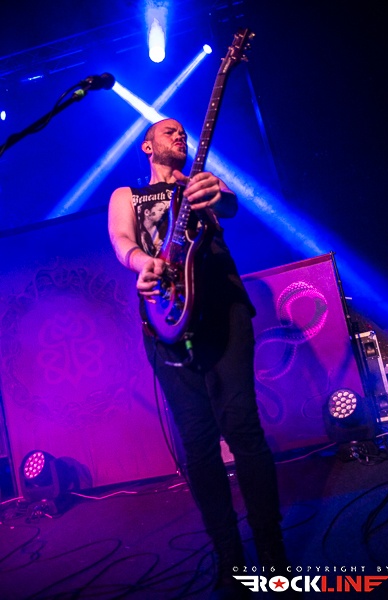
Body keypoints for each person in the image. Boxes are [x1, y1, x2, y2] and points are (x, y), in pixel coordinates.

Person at [108, 118, 288, 599]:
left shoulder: (202, 182)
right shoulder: (127, 195)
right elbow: (122, 240)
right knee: (198, 444)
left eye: (182, 133)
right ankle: (230, 561)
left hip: (223, 311)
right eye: (168, 132)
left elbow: (229, 205)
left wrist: (218, 196)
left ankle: (273, 556)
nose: (179, 136)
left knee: (244, 428)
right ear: (147, 146)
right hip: (165, 320)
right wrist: (141, 262)